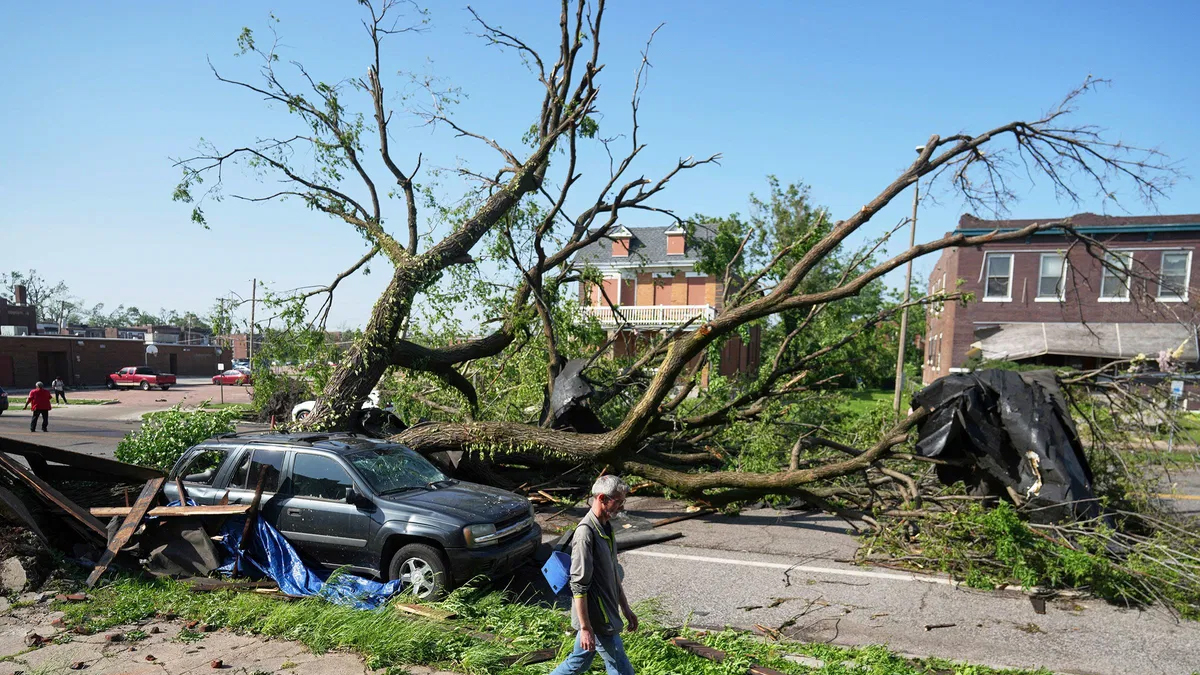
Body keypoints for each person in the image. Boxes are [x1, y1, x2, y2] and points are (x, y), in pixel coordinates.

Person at [548, 474, 638, 675]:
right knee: (621, 670)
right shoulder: (585, 534)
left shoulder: (606, 526)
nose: (621, 507)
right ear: (602, 498)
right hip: (598, 619)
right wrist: (586, 628)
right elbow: (578, 585)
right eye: (618, 501)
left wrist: (625, 608)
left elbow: (612, 571)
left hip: (606, 612)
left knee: (578, 663)